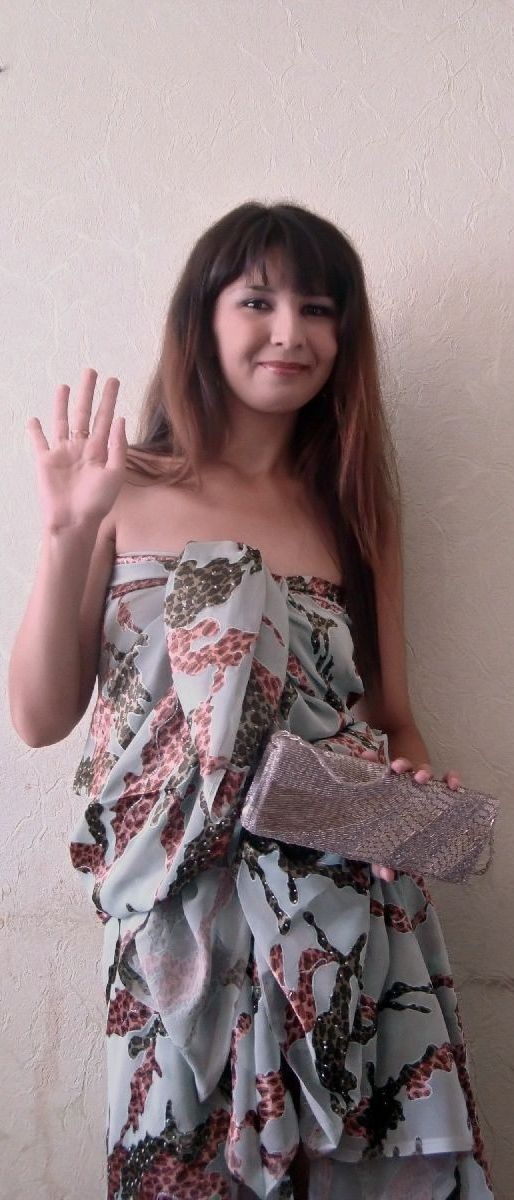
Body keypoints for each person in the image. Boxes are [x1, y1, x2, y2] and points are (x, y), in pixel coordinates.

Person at [9, 202, 493, 1200]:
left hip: (342, 912)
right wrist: (66, 534)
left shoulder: (351, 512)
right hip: (174, 924)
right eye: (259, 301)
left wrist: (409, 791)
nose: (289, 332)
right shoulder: (118, 487)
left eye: (318, 309)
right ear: (204, 317)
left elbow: (393, 715)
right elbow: (39, 717)